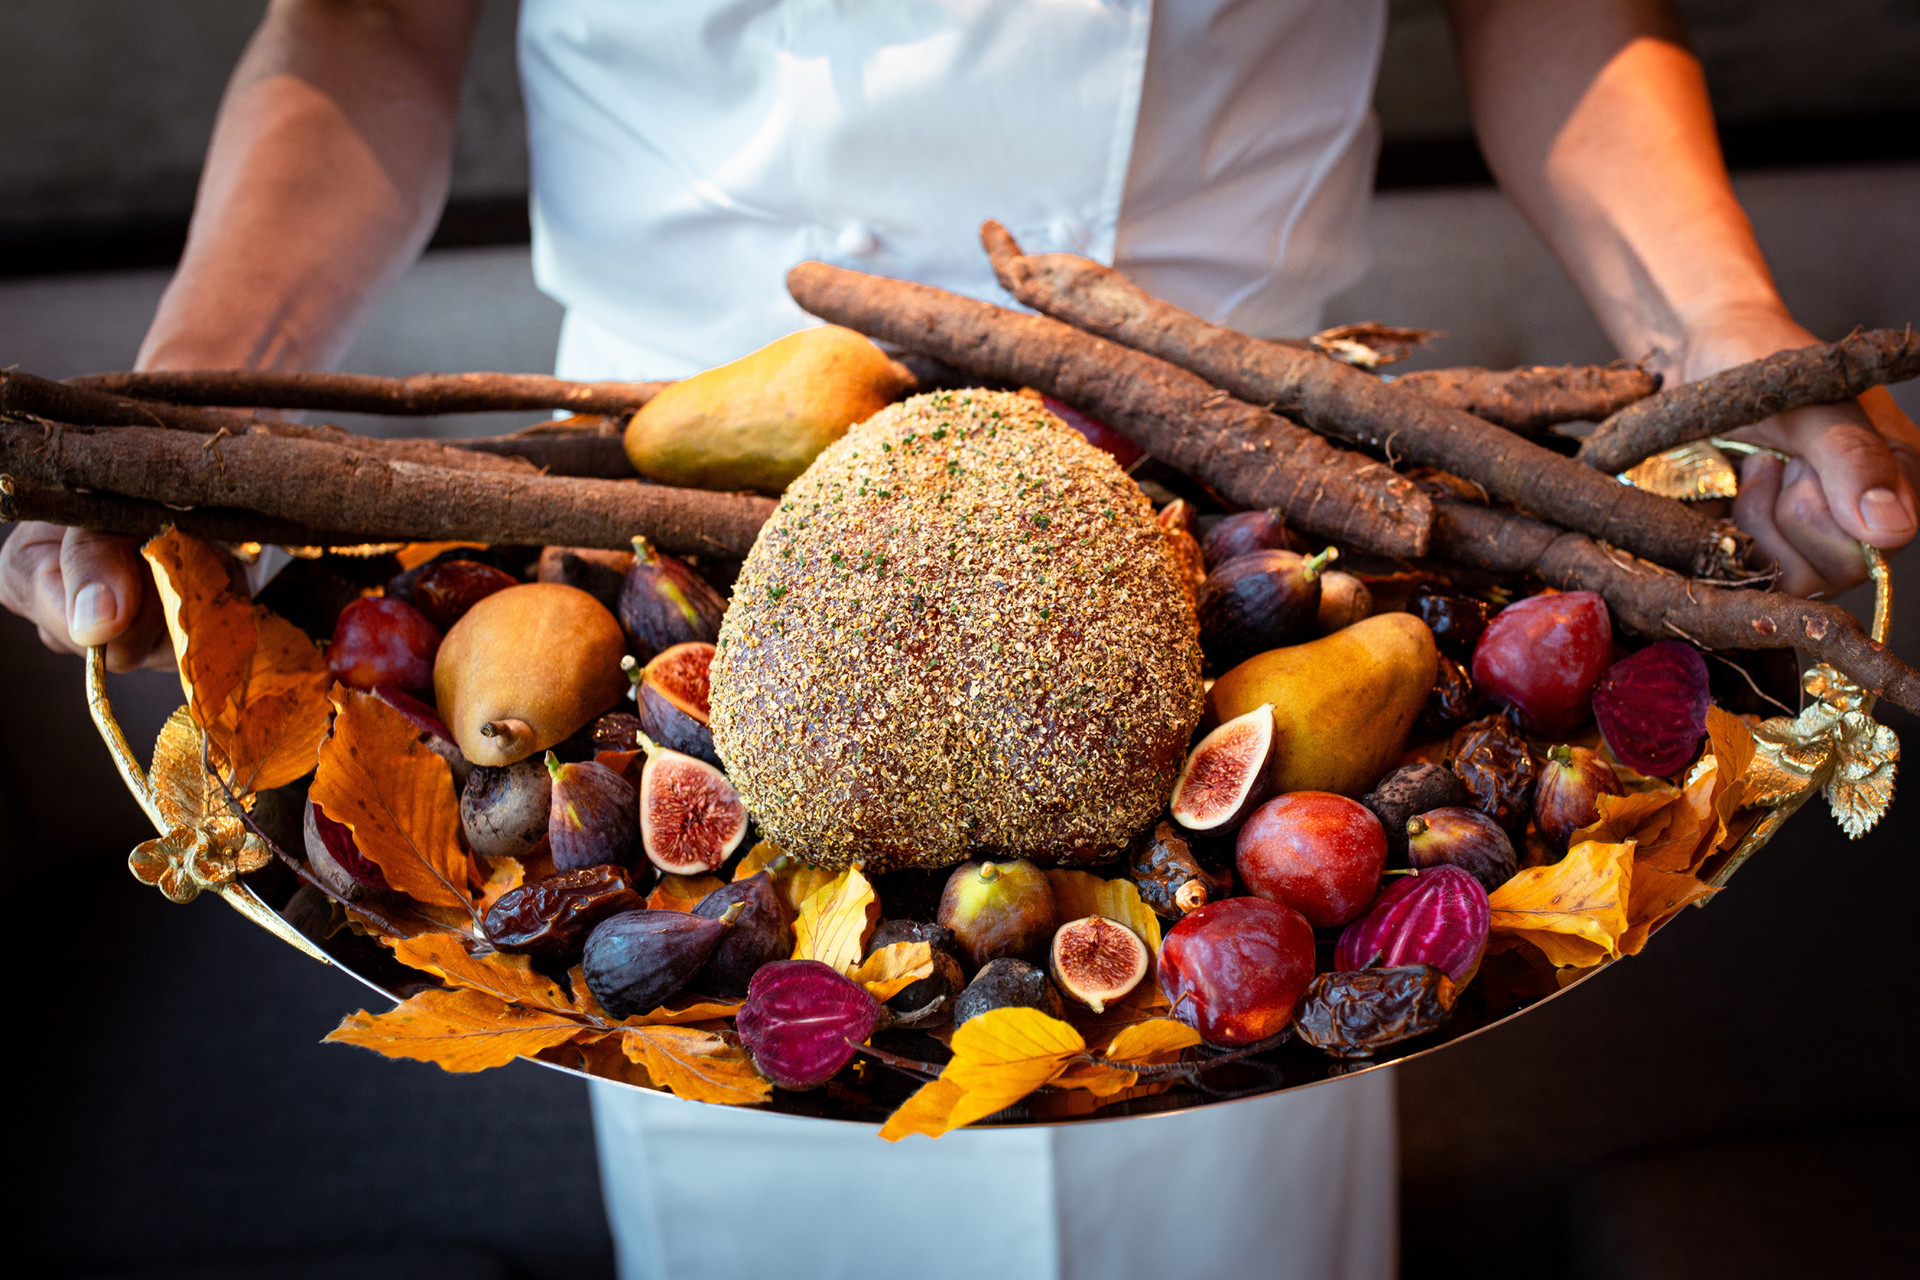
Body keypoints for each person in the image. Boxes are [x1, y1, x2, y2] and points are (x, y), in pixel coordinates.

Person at [3, 2, 1915, 1278]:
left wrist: (1717, 311)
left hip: (1218, 473)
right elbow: (368, 21)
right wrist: (176, 423)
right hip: (688, 526)